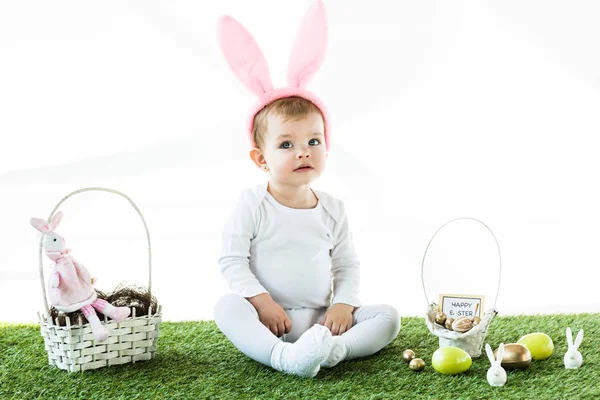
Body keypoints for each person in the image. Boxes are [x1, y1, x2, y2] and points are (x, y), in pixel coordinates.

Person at [214, 1, 400, 378]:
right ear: (260, 159)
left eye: (313, 141)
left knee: (388, 317)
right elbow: (231, 260)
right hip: (269, 321)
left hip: (320, 321)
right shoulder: (253, 203)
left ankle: (333, 352)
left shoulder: (333, 208)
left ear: (326, 148)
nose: (303, 151)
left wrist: (343, 306)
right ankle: (284, 358)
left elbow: (347, 265)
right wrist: (262, 303)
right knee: (226, 307)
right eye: (286, 145)